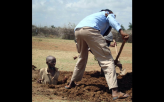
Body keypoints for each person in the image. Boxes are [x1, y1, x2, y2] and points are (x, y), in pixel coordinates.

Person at [65, 9, 129, 100]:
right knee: (107, 60)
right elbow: (112, 20)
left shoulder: (94, 16)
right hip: (90, 30)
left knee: (82, 58)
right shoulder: (107, 14)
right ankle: (115, 92)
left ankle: (71, 83)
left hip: (78, 30)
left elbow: (102, 34)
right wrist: (121, 32)